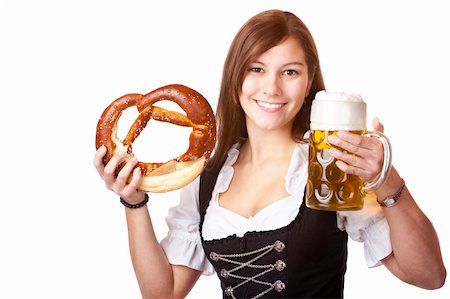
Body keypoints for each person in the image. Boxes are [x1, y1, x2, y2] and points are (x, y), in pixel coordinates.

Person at [93, 9, 446, 298]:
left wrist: (386, 180)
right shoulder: (206, 179)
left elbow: (429, 276)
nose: (271, 88)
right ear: (236, 79)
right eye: (256, 69)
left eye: (289, 72)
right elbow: (163, 294)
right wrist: (134, 201)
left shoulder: (330, 167)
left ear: (309, 83)